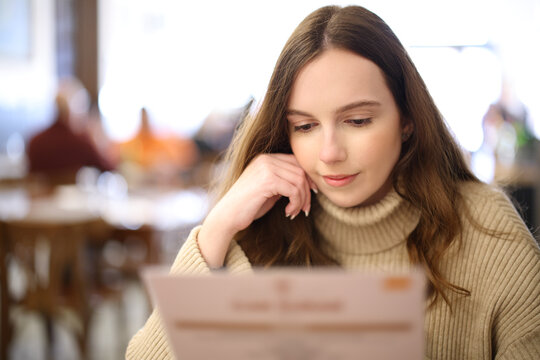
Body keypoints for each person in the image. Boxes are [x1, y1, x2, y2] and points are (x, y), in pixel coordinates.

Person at [126, 5, 540, 359]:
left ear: (408, 119)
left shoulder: (486, 229)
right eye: (304, 126)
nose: (328, 153)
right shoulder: (258, 230)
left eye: (358, 121)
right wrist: (215, 229)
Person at [26, 78, 116, 184]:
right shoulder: (81, 142)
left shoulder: (35, 141)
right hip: (75, 200)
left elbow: (30, 177)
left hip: (40, 200)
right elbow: (109, 168)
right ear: (74, 109)